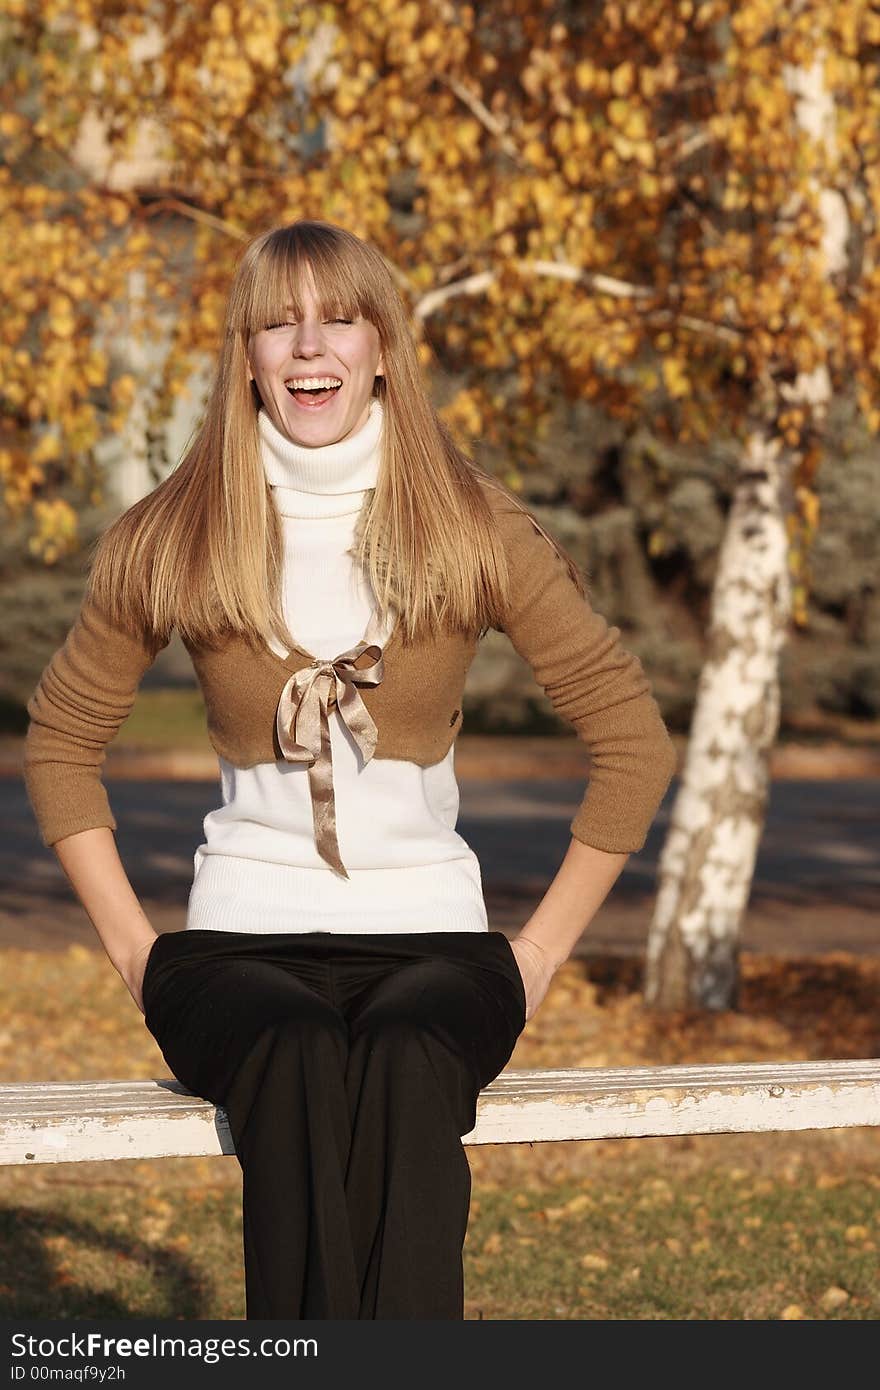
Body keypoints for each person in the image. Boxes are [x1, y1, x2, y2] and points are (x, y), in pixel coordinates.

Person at [23, 218, 677, 1321]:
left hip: (436, 939)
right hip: (237, 944)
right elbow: (59, 743)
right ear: (247, 356)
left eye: (338, 317)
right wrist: (140, 957)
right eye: (278, 324)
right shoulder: (172, 534)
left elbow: (633, 739)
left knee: (409, 1047)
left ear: (383, 347)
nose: (308, 345)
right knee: (292, 1047)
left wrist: (538, 957)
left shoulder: (474, 528)